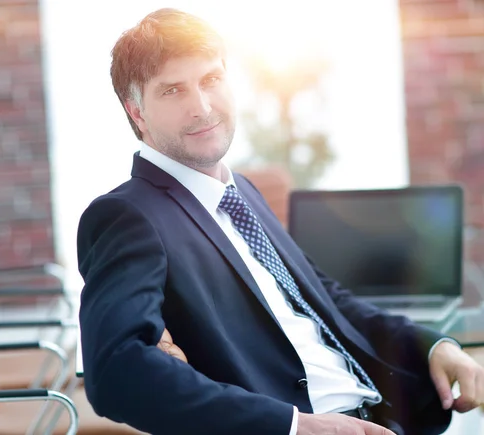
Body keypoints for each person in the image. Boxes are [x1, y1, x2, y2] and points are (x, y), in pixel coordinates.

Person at [77, 8, 484, 435]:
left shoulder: (243, 193)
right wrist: (294, 427)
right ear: (136, 112)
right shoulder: (127, 215)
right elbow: (116, 371)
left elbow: (326, 300)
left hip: (389, 412)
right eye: (172, 91)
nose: (201, 107)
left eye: (211, 80)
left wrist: (432, 345)